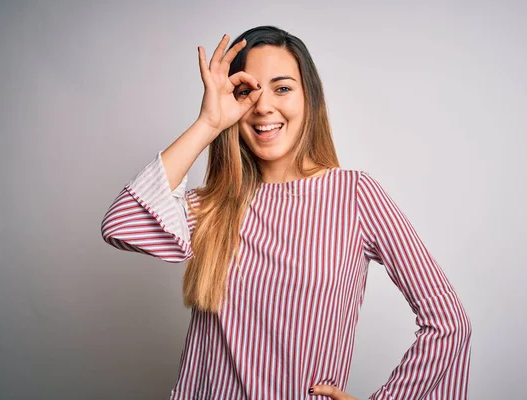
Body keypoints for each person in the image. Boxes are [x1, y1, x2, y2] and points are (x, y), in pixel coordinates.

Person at [101, 25, 472, 400]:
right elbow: (121, 223)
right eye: (248, 92)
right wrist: (208, 124)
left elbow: (449, 323)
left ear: (309, 98)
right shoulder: (212, 207)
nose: (263, 106)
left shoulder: (354, 195)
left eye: (282, 88)